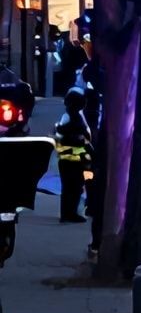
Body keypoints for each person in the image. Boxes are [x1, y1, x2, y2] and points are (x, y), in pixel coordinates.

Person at [53, 90, 92, 224]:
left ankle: (69, 212)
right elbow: (64, 133)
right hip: (72, 159)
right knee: (72, 187)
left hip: (71, 159)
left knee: (73, 187)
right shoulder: (71, 118)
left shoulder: (72, 117)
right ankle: (69, 213)